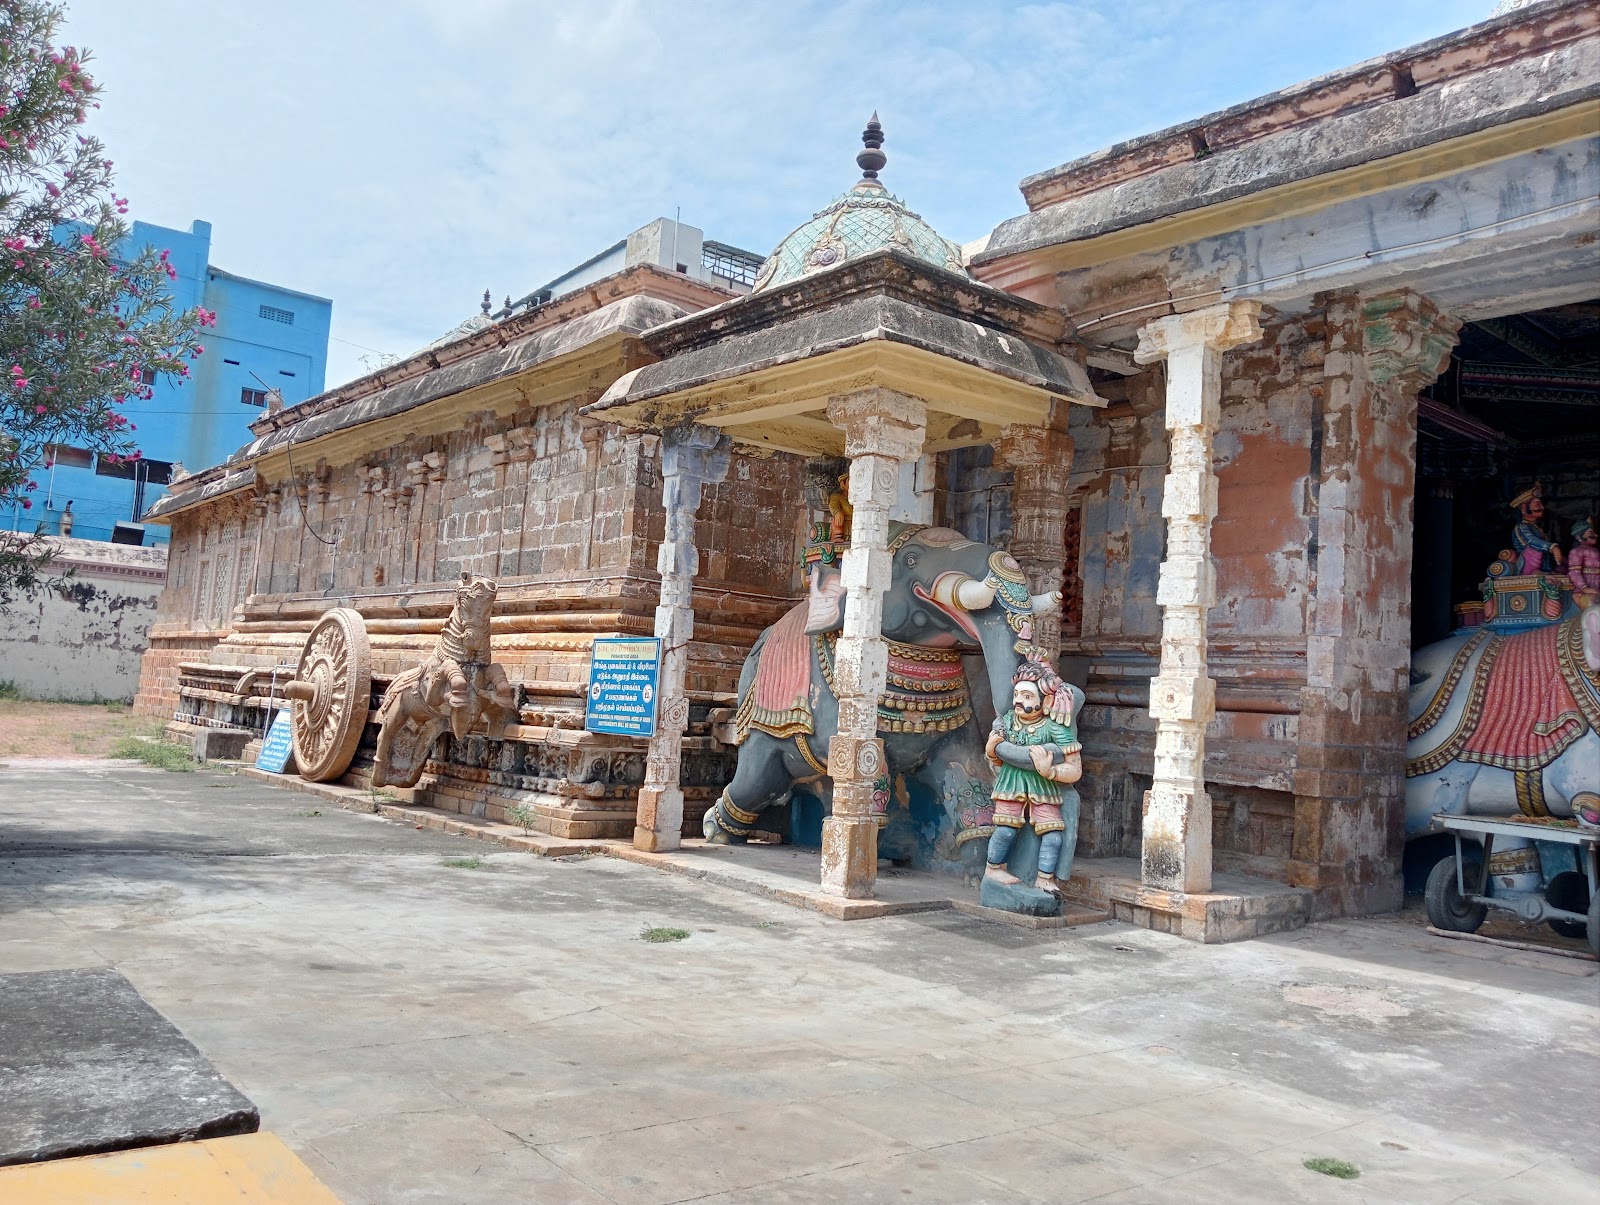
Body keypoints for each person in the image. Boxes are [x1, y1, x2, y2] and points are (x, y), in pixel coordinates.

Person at [983, 662, 1082, 898]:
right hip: (1011, 781)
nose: (1019, 701)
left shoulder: (1055, 728)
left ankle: (1044, 878)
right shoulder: (1007, 722)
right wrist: (991, 750)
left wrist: (1050, 771)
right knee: (1005, 831)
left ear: (1045, 701)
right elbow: (996, 760)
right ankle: (993, 868)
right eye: (1017, 695)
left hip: (1043, 784)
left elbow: (1075, 769)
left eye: (1027, 696)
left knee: (1052, 835)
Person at [1510, 484, 1563, 575]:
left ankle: (1547, 570)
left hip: (1544, 567)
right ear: (1524, 507)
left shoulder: (1536, 527)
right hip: (1528, 565)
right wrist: (1552, 547)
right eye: (1537, 504)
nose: (1542, 507)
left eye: (1541, 504)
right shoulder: (1522, 526)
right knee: (1534, 548)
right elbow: (1532, 540)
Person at [1569, 516, 1599, 607]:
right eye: (1590, 532)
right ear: (1579, 536)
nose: (1596, 535)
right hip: (1583, 592)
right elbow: (1574, 573)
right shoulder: (1577, 551)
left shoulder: (1596, 551)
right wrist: (1584, 588)